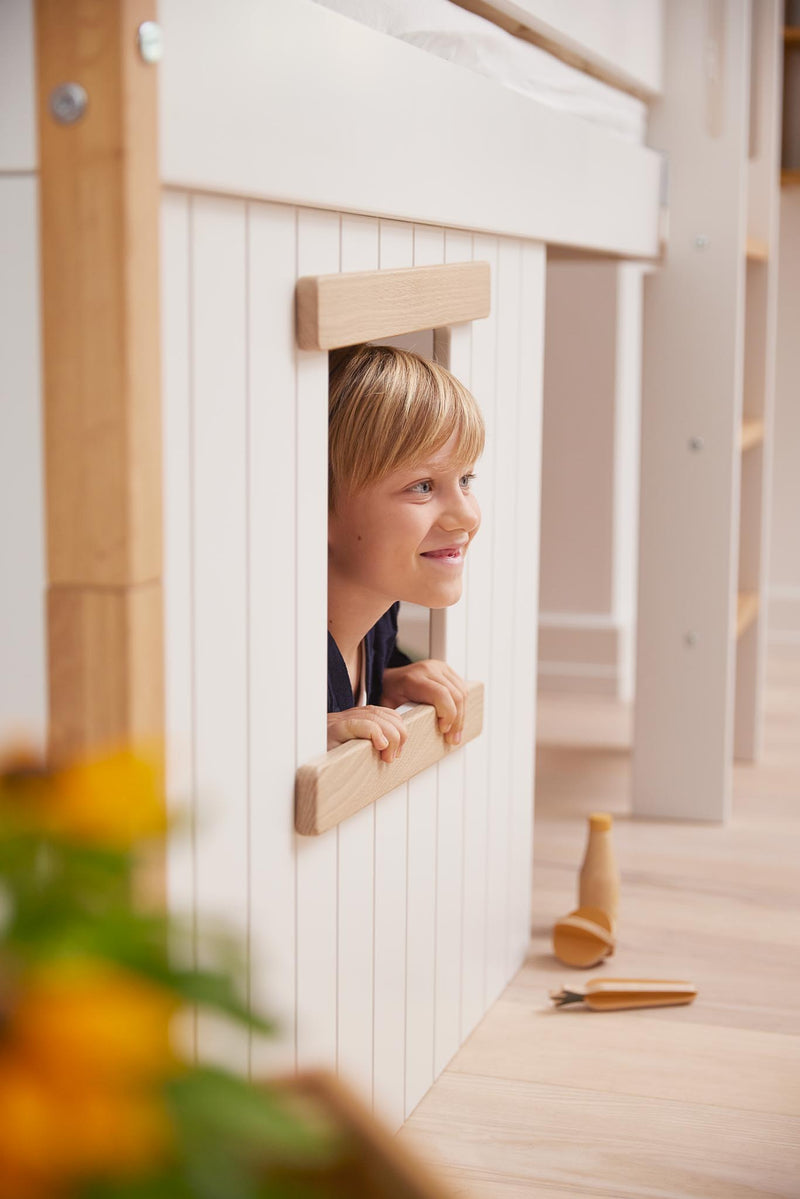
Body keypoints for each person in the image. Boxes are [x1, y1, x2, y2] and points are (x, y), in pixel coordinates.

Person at [327, 342, 484, 763]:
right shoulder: (284, 658)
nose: (466, 516)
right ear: (319, 508)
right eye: (422, 486)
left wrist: (389, 681)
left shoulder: (378, 623)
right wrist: (303, 733)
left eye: (466, 479)